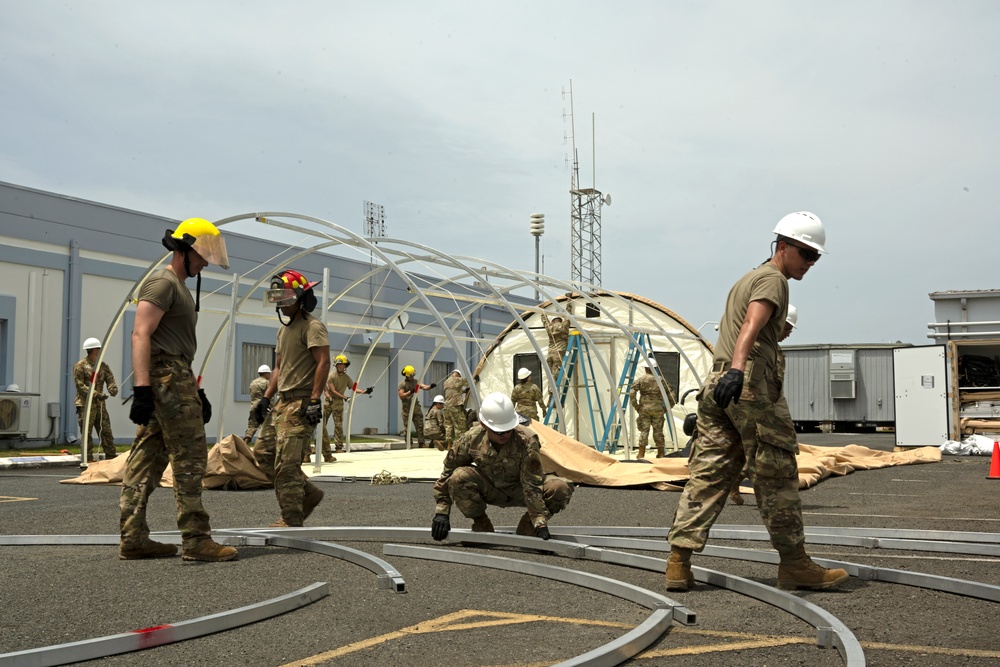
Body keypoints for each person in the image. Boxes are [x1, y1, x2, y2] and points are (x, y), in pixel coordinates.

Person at [665, 212, 848, 592]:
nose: (810, 263)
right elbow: (752, 321)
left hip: (717, 387)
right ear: (783, 247)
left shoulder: (747, 278)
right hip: (746, 385)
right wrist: (738, 368)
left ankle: (678, 562)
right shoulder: (773, 279)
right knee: (777, 475)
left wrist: (729, 372)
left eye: (815, 256)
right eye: (805, 253)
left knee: (710, 474)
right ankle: (795, 565)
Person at [119, 217, 237, 562]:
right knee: (190, 457)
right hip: (167, 378)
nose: (204, 263)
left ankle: (133, 537)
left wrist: (194, 391)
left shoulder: (178, 286)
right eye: (201, 256)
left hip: (174, 376)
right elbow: (140, 334)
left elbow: (176, 345)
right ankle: (196, 539)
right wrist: (143, 390)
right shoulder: (163, 283)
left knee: (146, 458)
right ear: (184, 250)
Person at [430, 392, 575, 540]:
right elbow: (447, 472)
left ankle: (528, 527)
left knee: (560, 488)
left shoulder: (527, 440)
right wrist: (442, 511)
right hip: (491, 488)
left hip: (521, 489)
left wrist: (539, 522)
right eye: (498, 431)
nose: (504, 435)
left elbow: (532, 483)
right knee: (458, 476)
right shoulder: (470, 439)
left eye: (508, 429)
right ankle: (482, 524)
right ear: (484, 425)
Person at [252, 269, 329, 527]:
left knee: (287, 464)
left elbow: (323, 362)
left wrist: (315, 400)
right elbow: (279, 367)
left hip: (302, 401)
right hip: (282, 402)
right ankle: (308, 493)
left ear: (301, 298)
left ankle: (292, 519)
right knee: (263, 453)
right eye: (279, 300)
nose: (282, 305)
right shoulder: (283, 331)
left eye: (286, 299)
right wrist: (266, 398)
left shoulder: (313, 326)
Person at [730, 304, 797, 506]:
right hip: (751, 408)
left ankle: (735, 483)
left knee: (758, 452)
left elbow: (775, 385)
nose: (788, 334)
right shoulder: (752, 346)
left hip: (769, 409)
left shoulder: (775, 352)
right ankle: (768, 499)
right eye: (787, 329)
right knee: (758, 452)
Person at [319, 354, 373, 461]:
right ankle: (318, 446)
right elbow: (333, 390)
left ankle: (339, 447)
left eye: (342, 364)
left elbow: (353, 388)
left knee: (338, 426)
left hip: (338, 404)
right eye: (338, 364)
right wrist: (345, 397)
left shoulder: (347, 378)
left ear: (345, 366)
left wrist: (365, 392)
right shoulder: (331, 375)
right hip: (328, 402)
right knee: (322, 425)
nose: (340, 366)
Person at [73, 337, 119, 460]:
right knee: (86, 433)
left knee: (106, 432)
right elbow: (80, 386)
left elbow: (110, 379)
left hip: (100, 406)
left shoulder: (102, 366)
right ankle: (87, 460)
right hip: (85, 405)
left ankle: (111, 458)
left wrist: (112, 388)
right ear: (94, 350)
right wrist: (96, 394)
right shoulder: (80, 366)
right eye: (99, 349)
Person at [629, 357, 676, 459]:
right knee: (658, 431)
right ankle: (661, 453)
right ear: (655, 368)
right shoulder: (661, 380)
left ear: (646, 368)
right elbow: (671, 395)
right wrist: (667, 408)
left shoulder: (641, 380)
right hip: (658, 410)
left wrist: (636, 406)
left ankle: (641, 454)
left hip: (644, 409)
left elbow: (632, 392)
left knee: (644, 431)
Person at [397, 365, 435, 448]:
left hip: (416, 407)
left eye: (413, 375)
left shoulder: (415, 382)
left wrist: (430, 386)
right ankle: (409, 443)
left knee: (419, 425)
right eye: (411, 376)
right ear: (406, 375)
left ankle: (421, 443)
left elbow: (423, 386)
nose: (412, 377)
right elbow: (401, 396)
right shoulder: (402, 384)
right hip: (406, 407)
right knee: (407, 427)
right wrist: (410, 392)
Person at [244, 364, 272, 443]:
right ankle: (265, 445)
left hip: (254, 407)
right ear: (266, 373)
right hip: (264, 408)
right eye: (269, 373)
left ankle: (245, 442)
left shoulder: (253, 382)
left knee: (252, 426)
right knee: (267, 427)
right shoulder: (267, 383)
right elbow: (270, 397)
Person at [442, 369, 470, 447]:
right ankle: (459, 445)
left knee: (448, 425)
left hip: (446, 406)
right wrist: (476, 379)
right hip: (455, 405)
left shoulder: (446, 382)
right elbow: (469, 381)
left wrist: (464, 391)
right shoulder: (457, 380)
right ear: (458, 375)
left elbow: (454, 391)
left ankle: (448, 444)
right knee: (459, 425)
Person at [541, 313, 570, 382]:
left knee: (549, 374)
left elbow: (545, 320)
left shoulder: (550, 327)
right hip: (558, 354)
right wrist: (569, 304)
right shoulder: (564, 326)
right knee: (555, 374)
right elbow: (568, 316)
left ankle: (550, 390)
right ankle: (552, 391)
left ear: (553, 321)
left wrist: (542, 312)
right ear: (560, 320)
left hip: (550, 354)